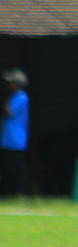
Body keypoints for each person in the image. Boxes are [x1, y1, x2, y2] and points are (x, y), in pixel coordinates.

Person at [1, 68, 30, 197]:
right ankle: (10, 191)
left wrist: (4, 103)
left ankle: (20, 192)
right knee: (8, 167)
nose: (8, 85)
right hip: (8, 138)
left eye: (11, 82)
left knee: (17, 167)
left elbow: (10, 112)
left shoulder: (21, 97)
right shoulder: (14, 97)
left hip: (16, 139)